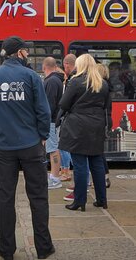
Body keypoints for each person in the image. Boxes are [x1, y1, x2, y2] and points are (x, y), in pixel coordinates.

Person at [0, 36, 55, 260]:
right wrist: (42, 136)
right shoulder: (31, 76)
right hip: (31, 145)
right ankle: (43, 248)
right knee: (38, 196)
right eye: (26, 52)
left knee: (5, 198)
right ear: (20, 52)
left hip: (4, 147)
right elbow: (44, 111)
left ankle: (6, 250)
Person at [58, 54, 111, 212]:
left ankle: (80, 201)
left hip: (78, 127)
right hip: (97, 126)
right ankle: (102, 200)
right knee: (97, 163)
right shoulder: (103, 83)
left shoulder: (75, 82)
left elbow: (64, 103)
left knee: (80, 165)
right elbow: (106, 106)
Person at [42, 57, 64, 190]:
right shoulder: (56, 80)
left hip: (50, 120)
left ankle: (55, 178)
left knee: (52, 149)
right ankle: (54, 177)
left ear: (44, 67)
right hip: (52, 120)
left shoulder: (51, 81)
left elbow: (48, 104)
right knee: (52, 148)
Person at [58, 54, 76, 182]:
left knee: (64, 146)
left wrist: (58, 117)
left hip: (70, 118)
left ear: (67, 64)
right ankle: (66, 170)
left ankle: (66, 171)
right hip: (75, 118)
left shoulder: (73, 80)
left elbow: (65, 103)